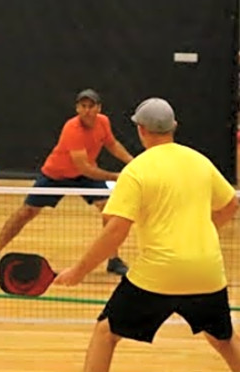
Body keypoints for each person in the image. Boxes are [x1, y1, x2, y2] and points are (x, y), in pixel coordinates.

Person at [55, 98, 240, 371]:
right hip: (206, 271)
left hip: (158, 275)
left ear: (141, 130)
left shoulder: (136, 171)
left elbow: (115, 231)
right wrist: (203, 230)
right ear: (173, 127)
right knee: (223, 338)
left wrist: (79, 271)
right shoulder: (200, 161)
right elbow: (231, 204)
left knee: (106, 333)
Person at [0, 89, 133, 275]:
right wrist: (115, 176)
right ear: (77, 108)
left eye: (91, 106)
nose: (87, 110)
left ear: (99, 108)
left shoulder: (103, 122)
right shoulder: (72, 128)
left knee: (108, 210)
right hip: (56, 175)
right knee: (26, 212)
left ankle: (113, 259)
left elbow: (112, 144)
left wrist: (133, 163)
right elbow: (84, 168)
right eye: (83, 106)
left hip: (85, 176)